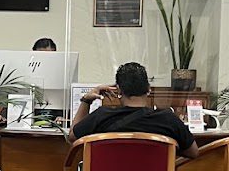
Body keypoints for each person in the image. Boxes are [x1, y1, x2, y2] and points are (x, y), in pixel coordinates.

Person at [70, 60, 200, 158]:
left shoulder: (101, 116)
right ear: (148, 89)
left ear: (119, 90)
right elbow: (193, 152)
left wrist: (86, 100)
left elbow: (73, 137)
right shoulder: (168, 119)